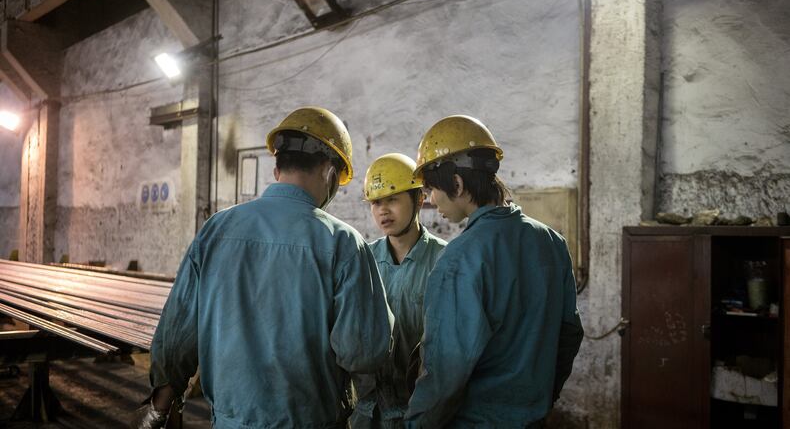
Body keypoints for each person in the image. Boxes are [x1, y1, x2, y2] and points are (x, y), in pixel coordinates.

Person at [131, 107, 394, 429]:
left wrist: (162, 403)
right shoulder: (344, 242)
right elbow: (363, 352)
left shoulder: (216, 230)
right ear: (329, 171)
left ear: (276, 168)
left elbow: (177, 334)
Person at [404, 115, 584, 428]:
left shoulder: (458, 259)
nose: (430, 199)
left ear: (457, 184)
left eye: (432, 189)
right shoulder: (552, 242)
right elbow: (569, 334)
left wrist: (416, 423)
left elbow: (445, 371)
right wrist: (540, 400)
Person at [350, 153, 447, 429]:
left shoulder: (444, 260)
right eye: (376, 202)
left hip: (419, 412)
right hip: (367, 412)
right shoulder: (364, 258)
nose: (383, 210)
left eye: (392, 199)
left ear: (419, 199)